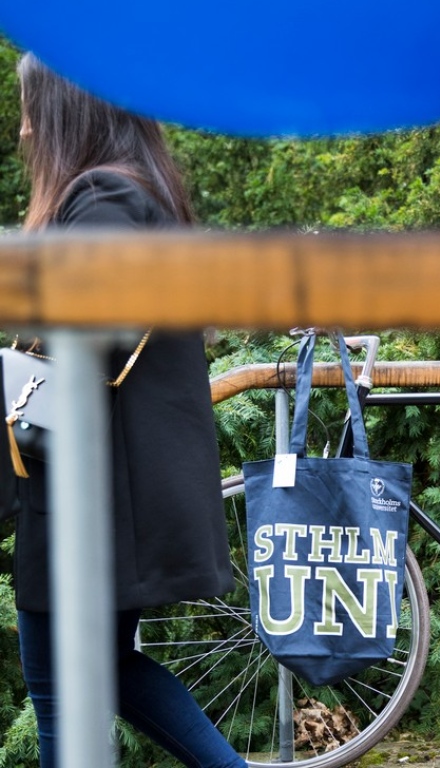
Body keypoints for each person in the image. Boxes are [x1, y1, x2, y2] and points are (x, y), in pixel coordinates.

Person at [10, 52, 247, 768]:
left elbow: (91, 329)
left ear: (65, 114)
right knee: (102, 672)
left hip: (92, 498)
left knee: (62, 690)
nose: (23, 131)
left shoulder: (107, 199)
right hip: (108, 491)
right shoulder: (142, 195)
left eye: (30, 111)